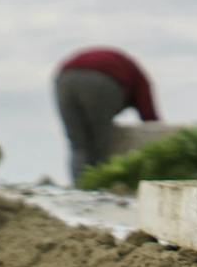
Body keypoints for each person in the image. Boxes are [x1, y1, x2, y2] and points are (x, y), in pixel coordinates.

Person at [55, 47, 160, 181]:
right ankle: (97, 185)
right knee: (101, 143)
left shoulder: (125, 66)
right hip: (102, 79)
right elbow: (150, 119)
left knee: (78, 145)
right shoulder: (140, 79)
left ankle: (80, 187)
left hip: (64, 79)